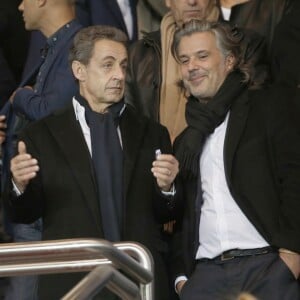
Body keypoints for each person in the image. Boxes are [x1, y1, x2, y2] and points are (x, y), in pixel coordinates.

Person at [5, 25, 179, 300]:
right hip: (75, 286)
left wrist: (167, 188)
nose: (119, 75)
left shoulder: (152, 133)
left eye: (123, 66)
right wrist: (19, 185)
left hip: (141, 283)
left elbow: (166, 214)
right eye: (107, 65)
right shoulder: (41, 136)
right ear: (79, 71)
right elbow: (24, 214)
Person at [171, 20, 300, 300]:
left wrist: (291, 254)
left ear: (229, 61)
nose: (192, 66)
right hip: (205, 276)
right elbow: (182, 218)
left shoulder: (268, 106)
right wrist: (182, 278)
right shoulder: (184, 143)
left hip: (267, 267)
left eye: (202, 56)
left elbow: (295, 177)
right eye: (184, 59)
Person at [0, 0, 82, 299]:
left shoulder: (77, 45)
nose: (20, 6)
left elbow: (51, 111)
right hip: (30, 204)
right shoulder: (52, 48)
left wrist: (20, 97)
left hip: (52, 206)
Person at [126, 0, 266, 143]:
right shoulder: (138, 55)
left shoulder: (244, 45)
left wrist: (191, 138)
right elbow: (129, 125)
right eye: (184, 60)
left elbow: (256, 113)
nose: (192, 2)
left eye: (203, 56)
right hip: (157, 159)